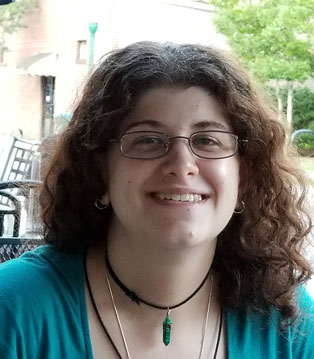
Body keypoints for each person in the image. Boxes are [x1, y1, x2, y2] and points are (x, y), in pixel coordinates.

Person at [0, 41, 313, 359]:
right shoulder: (12, 308)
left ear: (243, 178)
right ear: (99, 172)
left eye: (207, 140)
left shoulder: (287, 318)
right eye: (148, 140)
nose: (181, 165)